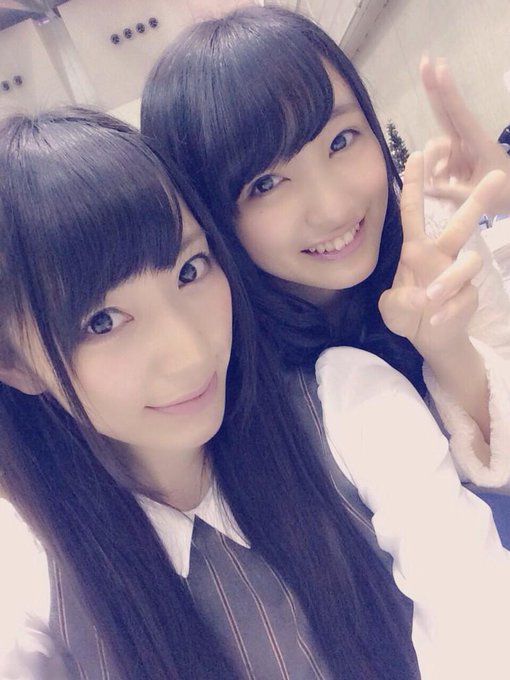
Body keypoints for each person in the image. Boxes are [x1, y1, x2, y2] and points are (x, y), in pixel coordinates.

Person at [0, 109, 509, 680]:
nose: (190, 352)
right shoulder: (29, 582)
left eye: (190, 270)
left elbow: (479, 617)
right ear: (14, 363)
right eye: (102, 322)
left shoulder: (346, 404)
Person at [141, 5, 510, 494]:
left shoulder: (430, 238)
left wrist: (449, 351)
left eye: (341, 140)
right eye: (266, 183)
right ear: (209, 214)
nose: (334, 209)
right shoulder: (219, 348)